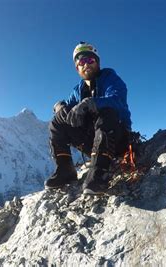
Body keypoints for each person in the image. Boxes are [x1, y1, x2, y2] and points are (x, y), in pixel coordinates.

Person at [45, 41, 132, 195]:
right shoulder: (78, 90)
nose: (86, 64)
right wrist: (59, 107)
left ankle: (99, 174)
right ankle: (65, 170)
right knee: (57, 122)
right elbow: (67, 106)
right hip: (93, 143)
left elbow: (117, 99)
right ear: (77, 67)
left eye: (90, 60)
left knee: (107, 112)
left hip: (117, 138)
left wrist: (91, 103)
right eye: (81, 62)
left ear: (97, 62)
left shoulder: (110, 78)